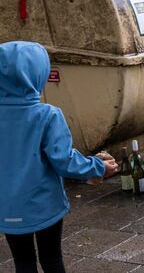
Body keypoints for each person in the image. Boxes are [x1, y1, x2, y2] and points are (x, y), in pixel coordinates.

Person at [0, 41, 118, 273]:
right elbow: (64, 160)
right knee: (51, 258)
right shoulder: (47, 115)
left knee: (22, 261)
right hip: (45, 203)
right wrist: (97, 167)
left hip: (7, 206)